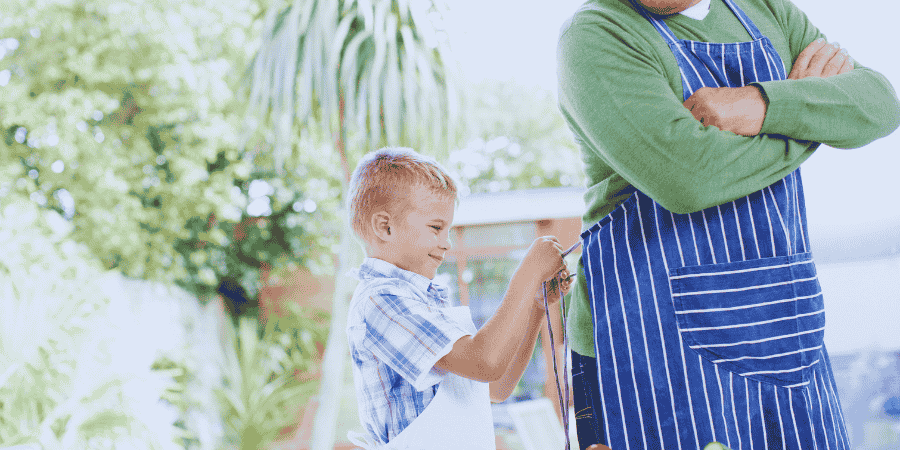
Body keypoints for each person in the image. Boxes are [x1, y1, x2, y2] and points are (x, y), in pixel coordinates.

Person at [556, 0, 900, 448]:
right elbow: (687, 176)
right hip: (648, 338)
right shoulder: (596, 34)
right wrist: (810, 120)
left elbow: (879, 104)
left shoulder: (765, 10)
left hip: (784, 322)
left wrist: (758, 104)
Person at [344, 147, 572, 449]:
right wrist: (527, 273)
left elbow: (494, 386)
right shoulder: (381, 300)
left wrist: (534, 307)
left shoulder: (426, 301)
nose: (446, 243)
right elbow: (484, 362)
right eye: (436, 228)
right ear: (385, 226)